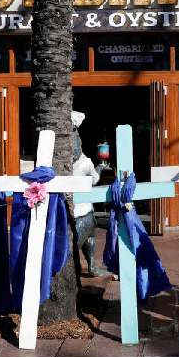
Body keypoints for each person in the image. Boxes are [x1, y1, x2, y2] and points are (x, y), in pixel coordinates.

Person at [71, 111, 105, 276]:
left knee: (87, 236)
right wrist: (100, 167)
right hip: (83, 211)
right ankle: (90, 266)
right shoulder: (86, 163)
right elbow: (94, 180)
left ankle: (91, 266)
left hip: (72, 211)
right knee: (87, 234)